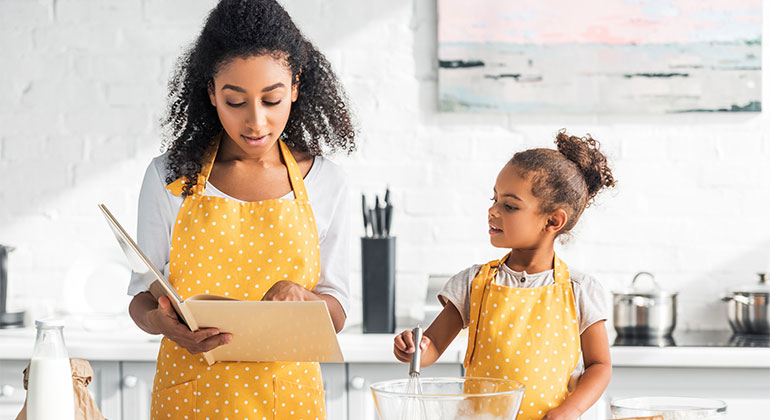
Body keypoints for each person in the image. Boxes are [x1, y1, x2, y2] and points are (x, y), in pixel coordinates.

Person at [126, 0, 356, 418]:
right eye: (236, 101)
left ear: (296, 86)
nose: (256, 122)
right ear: (211, 92)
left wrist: (306, 298)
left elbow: (337, 311)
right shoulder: (170, 177)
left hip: (289, 401)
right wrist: (164, 324)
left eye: (272, 100)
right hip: (190, 398)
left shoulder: (326, 183)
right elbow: (143, 296)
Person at [394, 130, 615, 420]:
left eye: (509, 205)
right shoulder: (474, 283)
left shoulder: (579, 290)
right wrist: (414, 347)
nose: (492, 210)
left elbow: (599, 365)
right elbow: (432, 346)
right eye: (494, 198)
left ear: (553, 220)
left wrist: (569, 410)